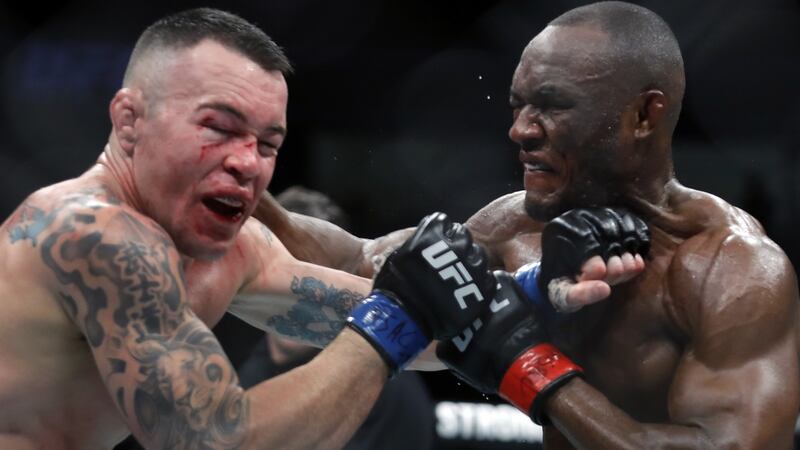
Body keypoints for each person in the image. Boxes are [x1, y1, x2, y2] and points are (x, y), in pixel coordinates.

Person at [253, 2, 800, 449]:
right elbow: (359, 264)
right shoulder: (514, 225)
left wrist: (529, 367)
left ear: (644, 115)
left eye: (553, 106)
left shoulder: (733, 269)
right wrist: (248, 195)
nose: (520, 130)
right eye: (518, 105)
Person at [0, 8, 511, 449]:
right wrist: (391, 323)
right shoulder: (90, 232)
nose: (247, 163)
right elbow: (215, 440)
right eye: (219, 127)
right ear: (129, 119)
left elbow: (417, 328)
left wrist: (528, 297)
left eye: (267, 144)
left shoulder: (233, 251)